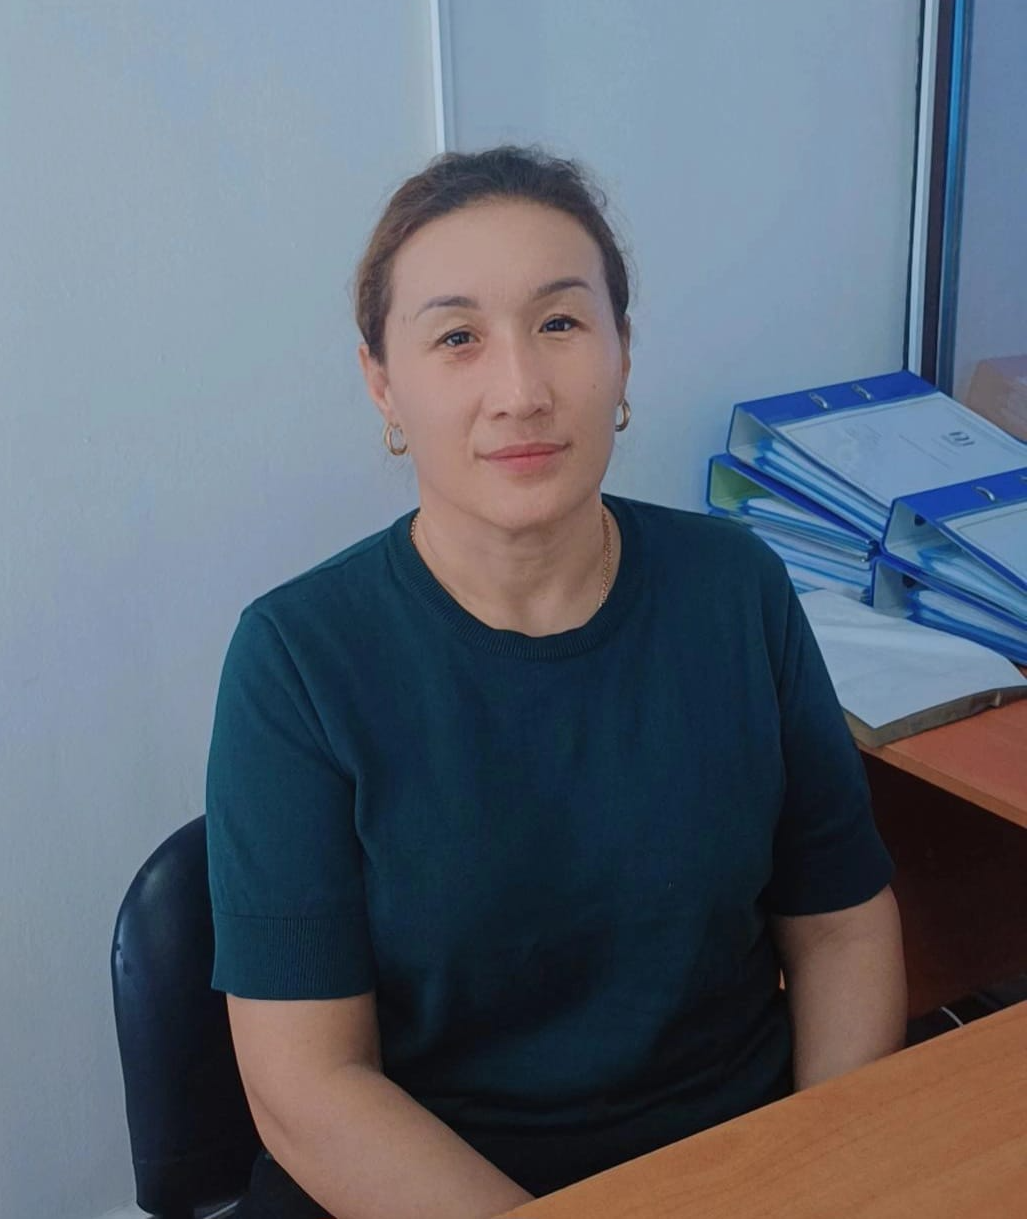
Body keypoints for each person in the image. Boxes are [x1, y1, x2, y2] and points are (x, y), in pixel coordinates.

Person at [205, 146, 907, 1219]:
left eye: (563, 323)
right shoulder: (296, 659)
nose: (522, 392)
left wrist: (824, 1177)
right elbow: (308, 1086)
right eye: (457, 338)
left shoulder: (736, 590)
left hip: (736, 1169)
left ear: (622, 352)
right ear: (383, 383)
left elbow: (842, 927)